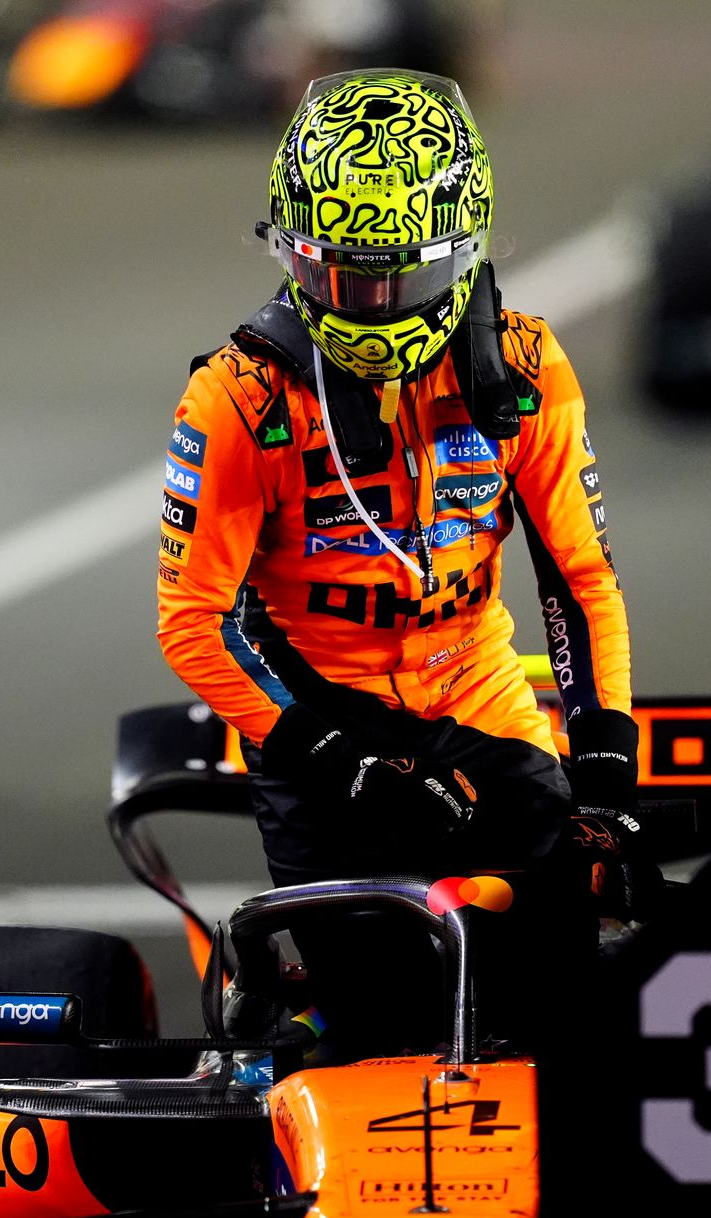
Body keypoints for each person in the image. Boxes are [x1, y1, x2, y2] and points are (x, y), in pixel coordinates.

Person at [155, 68, 642, 914]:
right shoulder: (238, 398)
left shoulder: (527, 370)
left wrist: (603, 774)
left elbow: (578, 577)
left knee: (569, 936)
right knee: (371, 996)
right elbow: (195, 620)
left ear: (463, 255)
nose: (372, 305)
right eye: (344, 277)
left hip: (480, 693)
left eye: (397, 280)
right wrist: (337, 756)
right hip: (317, 718)